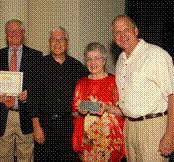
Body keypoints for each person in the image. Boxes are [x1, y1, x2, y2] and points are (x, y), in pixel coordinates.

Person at [112, 15, 174, 162]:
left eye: (125, 29)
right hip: (129, 128)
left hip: (153, 128)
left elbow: (172, 95)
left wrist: (170, 134)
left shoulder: (155, 55)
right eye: (117, 32)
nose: (122, 35)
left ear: (136, 30)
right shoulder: (120, 60)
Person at [32, 27, 89, 161]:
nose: (57, 43)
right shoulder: (38, 65)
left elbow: (85, 97)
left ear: (67, 43)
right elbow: (33, 98)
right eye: (53, 39)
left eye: (61, 39)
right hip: (44, 126)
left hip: (69, 127)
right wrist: (36, 126)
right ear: (49, 42)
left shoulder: (77, 67)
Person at [0, 19, 43, 162]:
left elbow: (39, 88)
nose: (14, 33)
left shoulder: (36, 56)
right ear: (6, 35)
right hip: (2, 116)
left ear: (23, 33)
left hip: (25, 115)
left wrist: (29, 94)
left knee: (26, 158)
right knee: (3, 158)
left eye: (17, 30)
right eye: (10, 31)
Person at [72, 42, 125, 162]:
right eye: (89, 59)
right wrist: (80, 111)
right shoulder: (81, 83)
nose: (93, 62)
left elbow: (124, 111)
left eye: (97, 58)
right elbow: (74, 113)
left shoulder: (114, 82)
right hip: (88, 142)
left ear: (104, 60)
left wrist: (106, 107)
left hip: (110, 141)